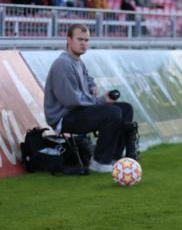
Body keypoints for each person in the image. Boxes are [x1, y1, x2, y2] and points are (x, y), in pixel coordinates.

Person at [43, 24, 139, 173]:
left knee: (125, 108)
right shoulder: (62, 63)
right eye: (80, 39)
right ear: (69, 40)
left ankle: (114, 157)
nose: (84, 44)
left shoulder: (78, 62)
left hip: (78, 111)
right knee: (112, 112)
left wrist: (92, 85)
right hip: (64, 117)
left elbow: (88, 79)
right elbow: (71, 100)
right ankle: (99, 161)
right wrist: (101, 101)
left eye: (86, 40)